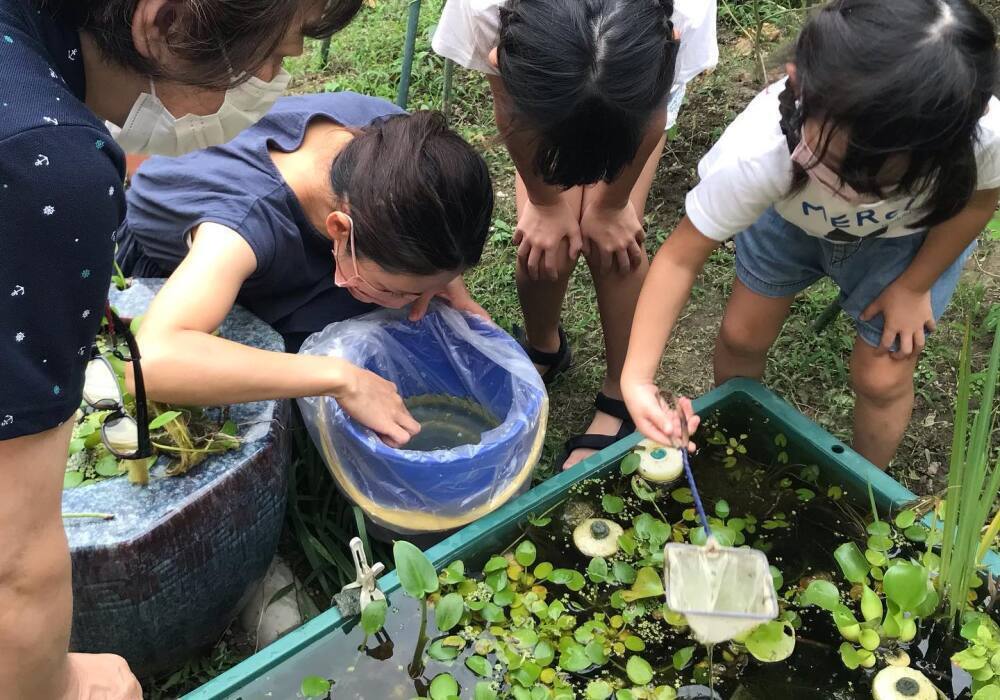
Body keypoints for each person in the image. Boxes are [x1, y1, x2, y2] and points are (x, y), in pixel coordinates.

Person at [0, 0, 362, 697]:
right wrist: (62, 681)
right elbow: (13, 560)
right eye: (272, 59)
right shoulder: (46, 168)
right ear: (164, 23)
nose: (268, 85)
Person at [622, 0, 999, 469]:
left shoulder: (983, 133)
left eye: (882, 184)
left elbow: (980, 202)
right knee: (741, 337)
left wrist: (914, 285)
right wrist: (637, 378)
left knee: (882, 377)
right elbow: (681, 256)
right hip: (786, 224)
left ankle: (864, 489)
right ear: (800, 86)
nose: (852, 196)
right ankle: (742, 446)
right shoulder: (758, 152)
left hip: (905, 244)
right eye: (838, 167)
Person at [116, 92, 495, 448]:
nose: (412, 301)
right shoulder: (240, 228)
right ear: (339, 230)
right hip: (170, 262)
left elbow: (437, 223)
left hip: (289, 231)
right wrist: (340, 379)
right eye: (395, 287)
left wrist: (451, 290)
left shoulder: (398, 144)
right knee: (307, 355)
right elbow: (150, 360)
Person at [431, 0, 718, 469]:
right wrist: (545, 204)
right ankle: (545, 346)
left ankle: (621, 385)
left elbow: (652, 115)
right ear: (501, 54)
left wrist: (610, 204)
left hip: (633, 102)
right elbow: (508, 104)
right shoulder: (482, 8)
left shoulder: (684, 12)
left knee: (615, 245)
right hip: (544, 106)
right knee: (547, 241)